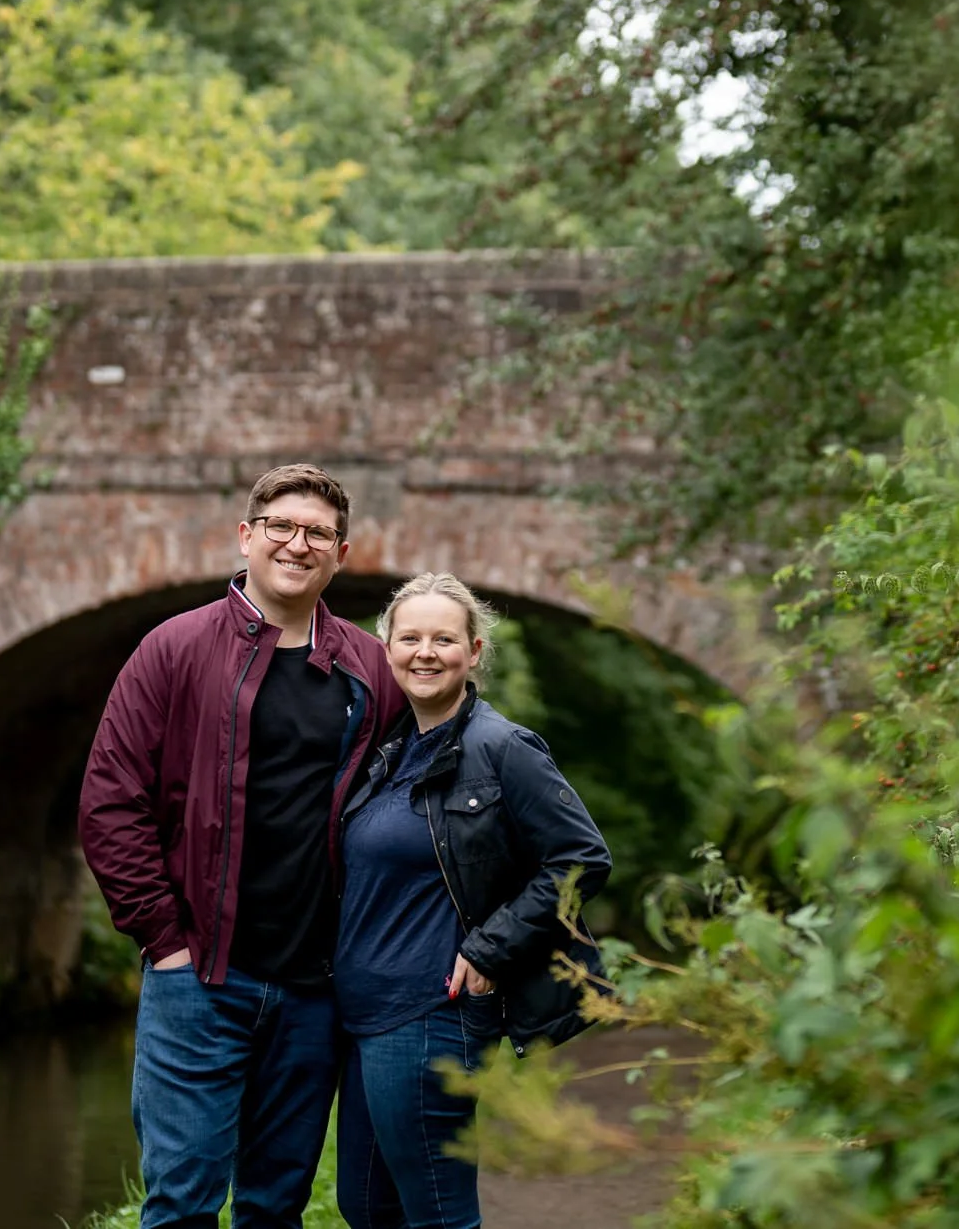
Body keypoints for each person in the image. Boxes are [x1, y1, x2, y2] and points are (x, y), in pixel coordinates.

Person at [79, 463, 407, 1229]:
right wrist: (161, 939)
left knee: (274, 1207)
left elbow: (420, 798)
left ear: (342, 552)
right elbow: (110, 798)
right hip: (199, 978)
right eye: (282, 527)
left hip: (314, 989)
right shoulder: (174, 648)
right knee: (182, 1203)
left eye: (318, 533)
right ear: (247, 536)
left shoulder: (370, 668)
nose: (299, 544)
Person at [332, 572, 613, 1229]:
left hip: (432, 1011)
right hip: (362, 1013)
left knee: (438, 1212)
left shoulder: (502, 748)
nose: (425, 651)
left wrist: (490, 946)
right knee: (367, 1205)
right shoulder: (388, 751)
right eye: (410, 637)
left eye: (444, 638)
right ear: (387, 646)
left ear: (474, 651)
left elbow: (581, 857)